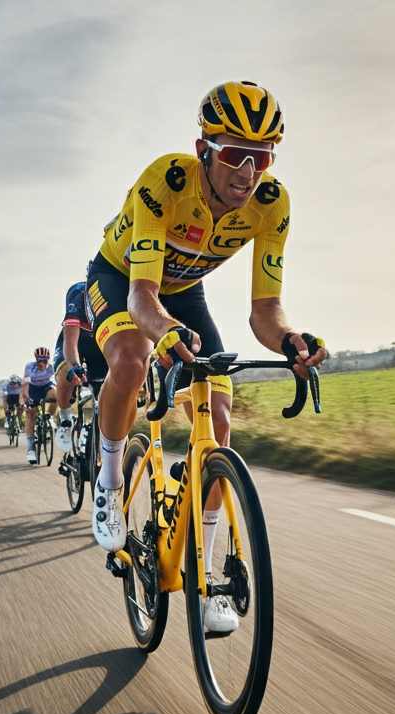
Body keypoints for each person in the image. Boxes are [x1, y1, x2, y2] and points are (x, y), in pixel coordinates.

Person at [86, 81, 327, 631]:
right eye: (236, 154)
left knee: (218, 420)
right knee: (130, 360)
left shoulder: (272, 203)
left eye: (263, 156)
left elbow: (265, 310)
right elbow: (143, 299)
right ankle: (109, 480)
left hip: (183, 293)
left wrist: (291, 340)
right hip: (122, 277)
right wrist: (163, 336)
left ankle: (207, 579)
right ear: (204, 151)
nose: (249, 172)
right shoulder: (165, 182)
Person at [52, 273, 108, 452]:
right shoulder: (78, 294)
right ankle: (66, 420)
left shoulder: (118, 294)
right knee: (67, 372)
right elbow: (70, 340)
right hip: (76, 343)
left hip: (101, 345)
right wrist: (75, 366)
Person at [20, 348, 57, 464]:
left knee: (55, 395)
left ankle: (49, 417)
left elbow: (58, 379)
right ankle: (31, 448)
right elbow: (25, 382)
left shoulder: (52, 367)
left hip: (46, 386)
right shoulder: (29, 367)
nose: (42, 364)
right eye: (40, 361)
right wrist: (25, 395)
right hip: (33, 388)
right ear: (36, 360)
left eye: (45, 361)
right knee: (30, 413)